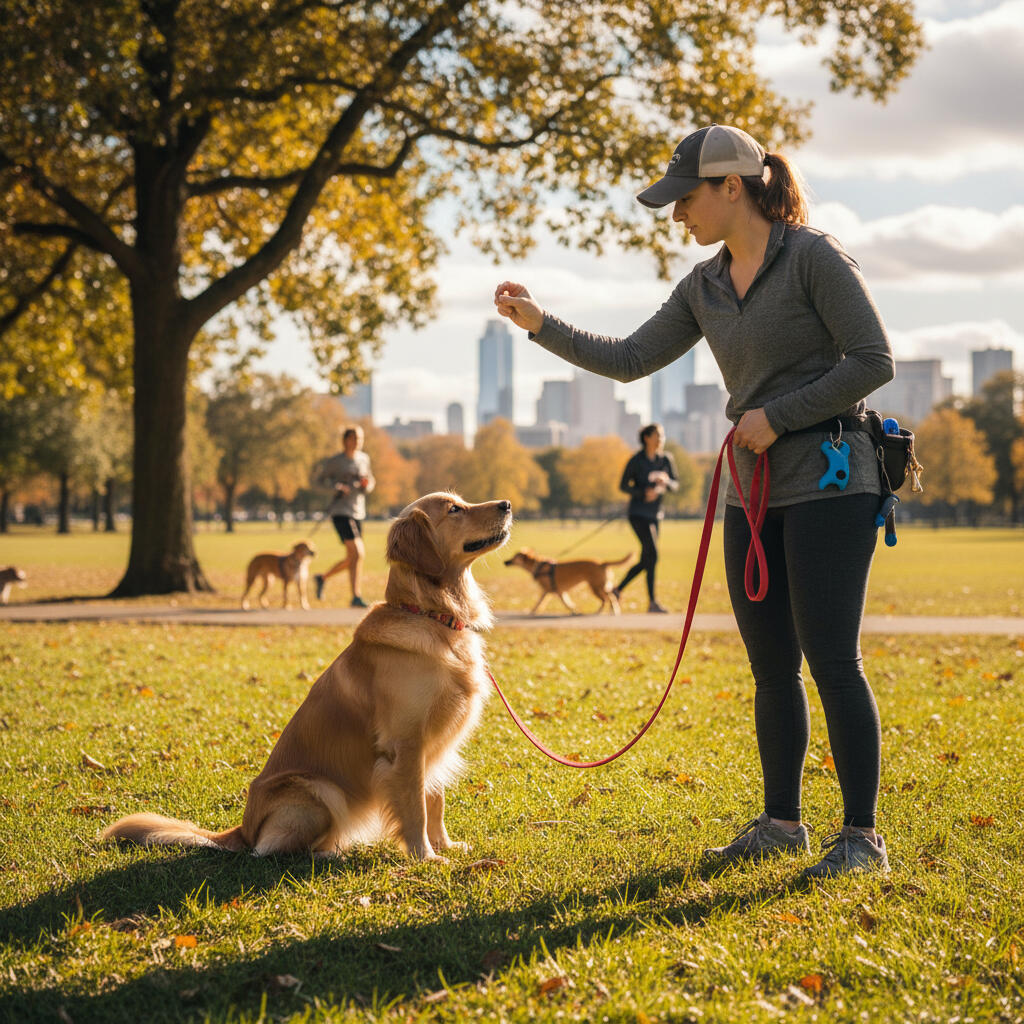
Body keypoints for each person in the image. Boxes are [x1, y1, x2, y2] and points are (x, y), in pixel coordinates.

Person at [494, 123, 895, 878]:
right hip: (751, 489)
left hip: (832, 482)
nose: (678, 215)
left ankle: (861, 839)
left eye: (686, 199)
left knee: (833, 661)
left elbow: (873, 359)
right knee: (771, 665)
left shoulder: (812, 257)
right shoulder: (704, 286)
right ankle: (782, 824)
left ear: (732, 188)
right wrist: (539, 324)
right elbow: (630, 359)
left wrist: (777, 416)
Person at [615, 423, 678, 613]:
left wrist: (666, 482)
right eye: (658, 435)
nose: (661, 439)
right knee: (653, 554)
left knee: (648, 557)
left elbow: (676, 485)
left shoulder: (666, 459)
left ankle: (618, 590)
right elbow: (623, 486)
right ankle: (651, 602)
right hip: (638, 514)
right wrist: (643, 493)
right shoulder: (636, 460)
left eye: (662, 435)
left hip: (655, 514)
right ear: (647, 438)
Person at [314, 425, 375, 608]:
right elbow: (318, 481)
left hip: (358, 511)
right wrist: (337, 488)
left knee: (354, 557)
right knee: (358, 553)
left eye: (360, 438)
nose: (358, 442)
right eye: (355, 438)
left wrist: (366, 485)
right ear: (346, 440)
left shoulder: (364, 459)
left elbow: (370, 481)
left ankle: (322, 578)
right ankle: (356, 596)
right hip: (340, 511)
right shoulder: (335, 462)